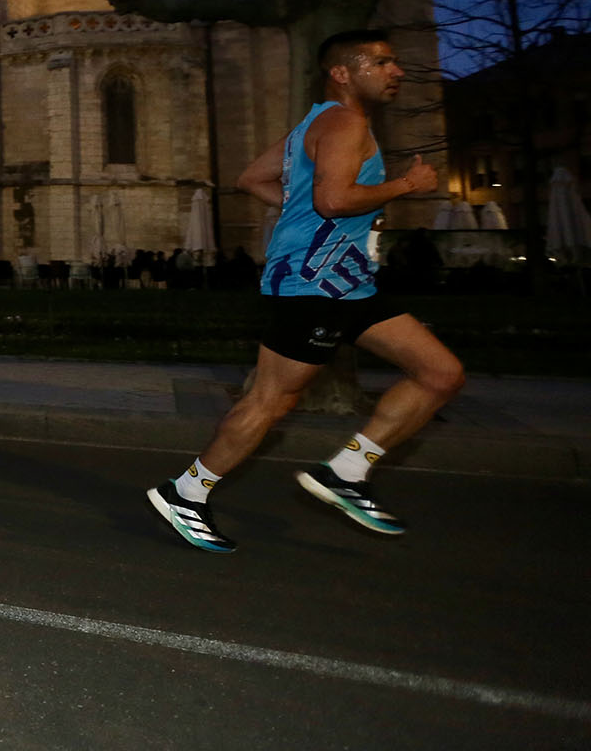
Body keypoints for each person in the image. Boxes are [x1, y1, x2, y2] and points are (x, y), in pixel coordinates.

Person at [147, 29, 461, 553]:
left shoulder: (313, 124)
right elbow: (335, 201)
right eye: (382, 63)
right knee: (273, 399)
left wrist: (297, 214)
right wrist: (406, 186)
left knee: (440, 373)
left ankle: (345, 472)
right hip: (313, 283)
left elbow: (251, 178)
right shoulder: (344, 122)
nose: (396, 72)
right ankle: (186, 492)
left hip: (349, 281)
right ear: (342, 72)